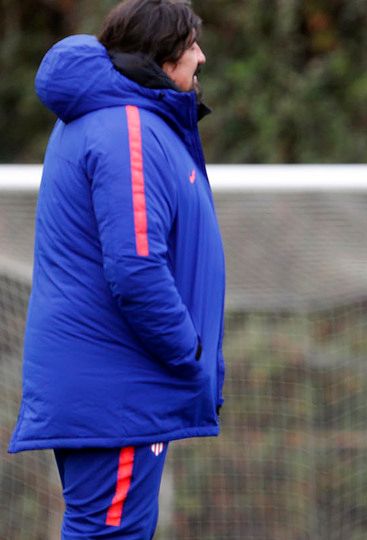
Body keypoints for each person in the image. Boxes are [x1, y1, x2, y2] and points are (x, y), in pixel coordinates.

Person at [7, 1, 225, 537]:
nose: (200, 55)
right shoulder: (125, 128)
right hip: (121, 385)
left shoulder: (125, 119)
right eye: (190, 43)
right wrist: (188, 350)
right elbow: (136, 268)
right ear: (161, 55)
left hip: (119, 383)